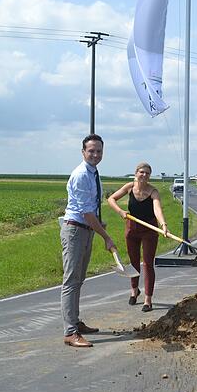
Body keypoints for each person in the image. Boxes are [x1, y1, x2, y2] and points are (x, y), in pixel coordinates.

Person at [60, 134, 116, 348]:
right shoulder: (82, 174)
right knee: (71, 281)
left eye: (99, 151)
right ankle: (70, 332)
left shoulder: (94, 173)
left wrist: (98, 225)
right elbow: (85, 212)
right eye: (91, 151)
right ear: (83, 152)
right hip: (75, 230)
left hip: (86, 229)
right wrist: (106, 236)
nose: (95, 154)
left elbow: (92, 209)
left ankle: (74, 321)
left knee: (78, 280)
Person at [107, 162, 168, 312]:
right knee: (134, 263)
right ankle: (134, 290)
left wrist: (163, 225)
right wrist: (121, 212)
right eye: (142, 172)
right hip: (132, 229)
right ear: (136, 173)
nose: (144, 175)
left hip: (149, 230)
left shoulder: (153, 191)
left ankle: (148, 299)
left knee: (147, 264)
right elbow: (111, 199)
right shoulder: (129, 187)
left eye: (147, 173)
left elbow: (157, 209)